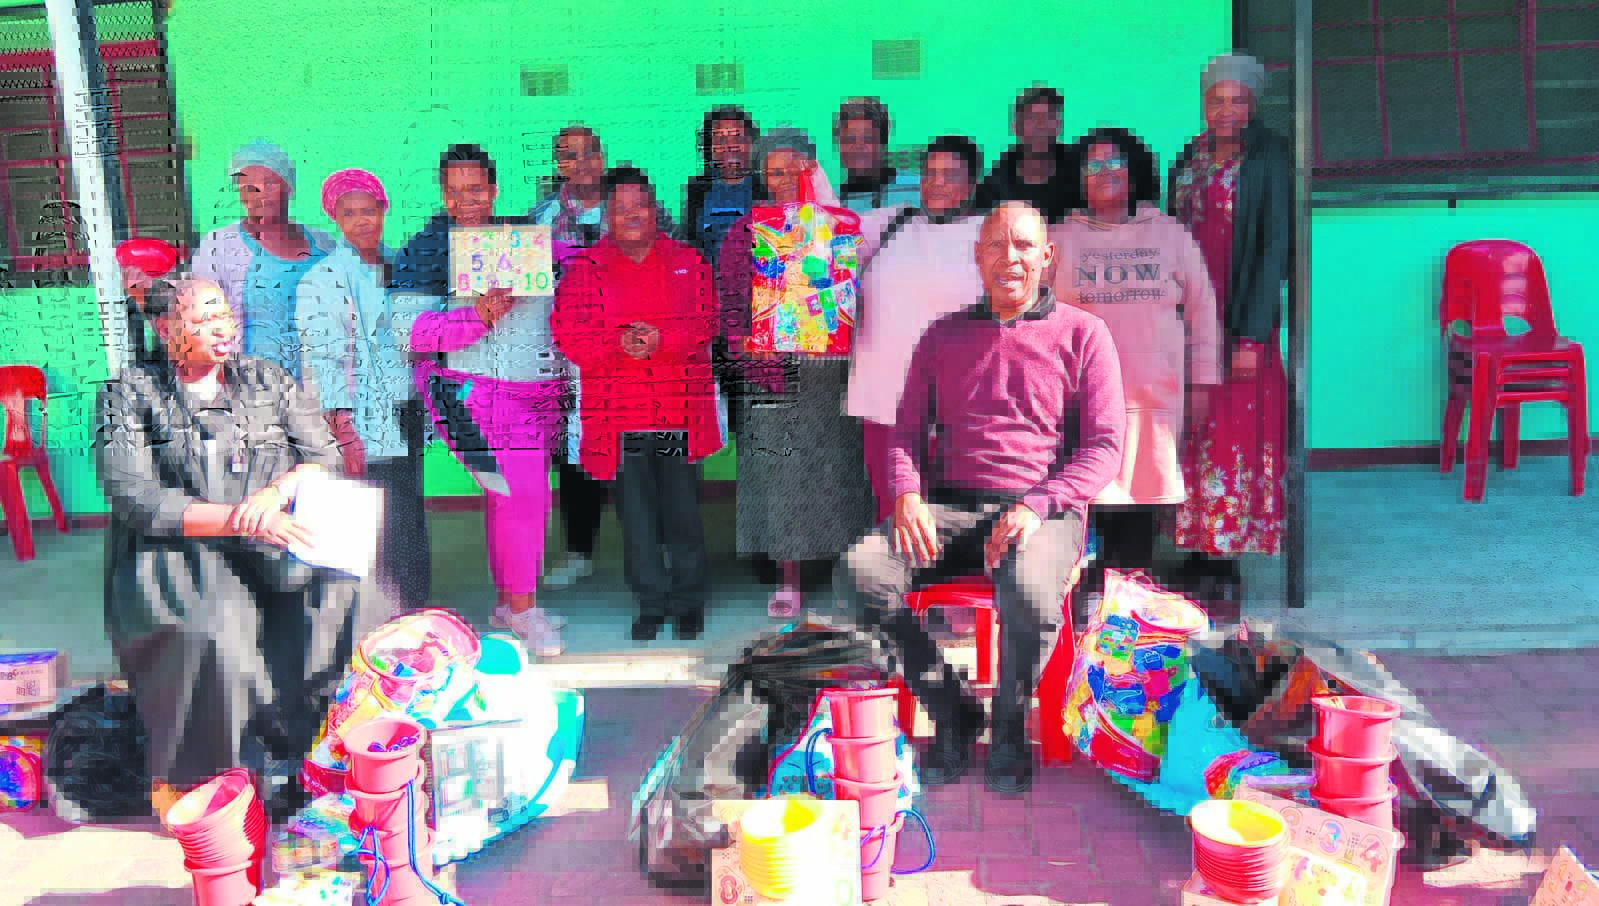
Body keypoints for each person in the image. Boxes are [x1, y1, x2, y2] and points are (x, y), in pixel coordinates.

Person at [836, 202, 1127, 793]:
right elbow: (905, 432)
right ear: (978, 256)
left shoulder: (1084, 334)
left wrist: (1037, 506)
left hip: (1043, 510)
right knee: (862, 570)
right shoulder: (943, 335)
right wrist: (907, 494)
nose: (1008, 258)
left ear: (1047, 257)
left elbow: (1104, 447)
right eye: (995, 244)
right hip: (952, 507)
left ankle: (1010, 725)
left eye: (1023, 245)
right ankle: (952, 707)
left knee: (1029, 592)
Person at [95, 277, 384, 818]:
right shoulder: (128, 393)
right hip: (180, 549)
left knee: (342, 594)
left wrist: (275, 494)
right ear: (165, 328)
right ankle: (218, 779)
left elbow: (324, 456)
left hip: (273, 534)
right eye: (203, 319)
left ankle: (314, 756)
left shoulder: (267, 379)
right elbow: (136, 497)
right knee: (215, 630)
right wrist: (239, 519)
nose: (222, 328)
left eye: (224, 314)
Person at [393, 144, 568, 653]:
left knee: (510, 498)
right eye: (454, 191)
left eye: (475, 189)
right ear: (442, 193)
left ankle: (510, 602)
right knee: (524, 495)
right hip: (468, 393)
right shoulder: (427, 248)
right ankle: (522, 610)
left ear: (493, 189)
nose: (465, 200)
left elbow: (565, 288)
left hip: (535, 391)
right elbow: (409, 333)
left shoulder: (524, 239)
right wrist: (477, 317)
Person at [1051, 128, 1221, 609]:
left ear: (1135, 171)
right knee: (1089, 496)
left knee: (1142, 498)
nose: (1105, 173)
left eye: (1115, 163)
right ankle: (1090, 599)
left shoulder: (1169, 234)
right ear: (1078, 177)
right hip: (1081, 397)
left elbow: (1203, 310)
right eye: (1093, 165)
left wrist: (1203, 380)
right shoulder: (1058, 238)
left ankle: (1131, 603)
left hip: (1152, 396)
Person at [553, 167, 721, 642]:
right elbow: (568, 335)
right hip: (619, 414)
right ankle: (651, 601)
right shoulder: (586, 269)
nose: (631, 215)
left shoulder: (687, 261)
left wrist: (663, 340)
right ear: (607, 215)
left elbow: (708, 322)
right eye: (620, 207)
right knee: (637, 517)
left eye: (639, 205)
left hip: (676, 410)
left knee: (682, 512)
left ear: (654, 209)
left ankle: (688, 600)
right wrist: (617, 345)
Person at [717, 127, 876, 619]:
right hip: (773, 374)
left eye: (794, 169)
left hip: (832, 374)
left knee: (838, 475)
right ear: (762, 177)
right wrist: (745, 347)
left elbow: (865, 296)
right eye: (774, 172)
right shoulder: (747, 232)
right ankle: (789, 578)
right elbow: (731, 307)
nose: (784, 179)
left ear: (813, 170)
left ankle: (848, 573)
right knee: (781, 479)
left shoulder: (840, 226)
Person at [1167, 53, 1292, 606]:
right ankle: (1196, 550)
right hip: (1188, 316)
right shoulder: (1189, 155)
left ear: (1253, 104)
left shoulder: (1268, 157)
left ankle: (1227, 562)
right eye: (1216, 99)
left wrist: (1252, 334)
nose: (1226, 110)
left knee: (1234, 432)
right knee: (1194, 429)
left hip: (1240, 314)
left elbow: (1273, 246)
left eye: (1237, 100)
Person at [529, 126, 674, 591]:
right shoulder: (541, 219)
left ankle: (660, 545)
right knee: (576, 456)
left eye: (590, 152)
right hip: (570, 358)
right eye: (569, 155)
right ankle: (579, 551)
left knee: (646, 450)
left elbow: (672, 263)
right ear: (558, 164)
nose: (582, 162)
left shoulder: (639, 206)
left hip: (636, 354)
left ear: (603, 156)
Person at [297, 168, 432, 613]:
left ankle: (413, 606)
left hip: (406, 406)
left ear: (383, 209)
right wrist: (344, 430)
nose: (361, 221)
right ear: (335, 218)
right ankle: (378, 613)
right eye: (349, 213)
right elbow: (324, 359)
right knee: (370, 514)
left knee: (406, 509)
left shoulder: (403, 266)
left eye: (369, 210)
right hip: (360, 414)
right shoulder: (323, 279)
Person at [850, 136, 987, 524]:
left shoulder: (990, 233)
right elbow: (826, 234)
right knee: (893, 512)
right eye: (930, 173)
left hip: (958, 410)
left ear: (973, 184)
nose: (937, 183)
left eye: (950, 175)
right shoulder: (891, 223)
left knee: (954, 520)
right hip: (884, 403)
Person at [192, 141, 334, 377]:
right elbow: (200, 321)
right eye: (248, 187)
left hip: (321, 387)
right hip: (253, 388)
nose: (259, 194)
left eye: (269, 183)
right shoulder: (219, 246)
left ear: (288, 186)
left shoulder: (324, 244)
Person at [972, 86, 1084, 223]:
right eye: (1031, 117)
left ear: (1058, 126)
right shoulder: (995, 184)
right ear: (1015, 128)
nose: (1040, 125)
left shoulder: (1083, 170)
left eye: (1048, 116)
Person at [833, 97, 920, 214]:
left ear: (883, 146)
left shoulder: (919, 189)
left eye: (868, 139)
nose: (858, 146)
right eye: (849, 139)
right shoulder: (830, 202)